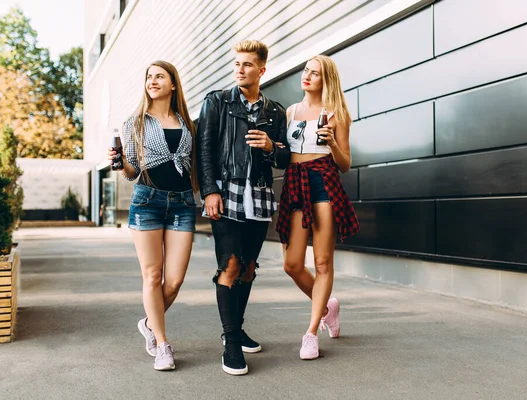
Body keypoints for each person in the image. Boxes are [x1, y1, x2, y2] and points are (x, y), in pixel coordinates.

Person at [196, 39, 290, 375]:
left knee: (249, 267)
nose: (240, 69)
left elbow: (285, 156)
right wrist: (209, 191)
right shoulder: (217, 102)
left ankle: (236, 326)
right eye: (237, 63)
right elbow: (203, 150)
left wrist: (269, 147)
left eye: (247, 64)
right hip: (226, 192)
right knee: (231, 264)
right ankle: (231, 342)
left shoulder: (275, 111)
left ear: (262, 69)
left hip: (260, 194)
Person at [107, 60, 198, 371]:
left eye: (160, 76)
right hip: (147, 201)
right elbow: (132, 172)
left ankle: (148, 323)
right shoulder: (134, 122)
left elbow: (192, 165)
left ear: (173, 84)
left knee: (173, 281)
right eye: (148, 76)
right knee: (152, 275)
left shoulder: (186, 121)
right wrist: (119, 164)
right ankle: (162, 344)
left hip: (183, 203)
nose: (153, 81)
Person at [275, 55, 359, 360]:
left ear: (327, 80)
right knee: (292, 264)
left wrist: (333, 143)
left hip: (323, 181)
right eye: (306, 70)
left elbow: (346, 164)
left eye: (316, 73)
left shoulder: (337, 115)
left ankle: (311, 332)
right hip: (295, 183)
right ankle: (327, 307)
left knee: (323, 263)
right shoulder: (290, 112)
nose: (307, 76)